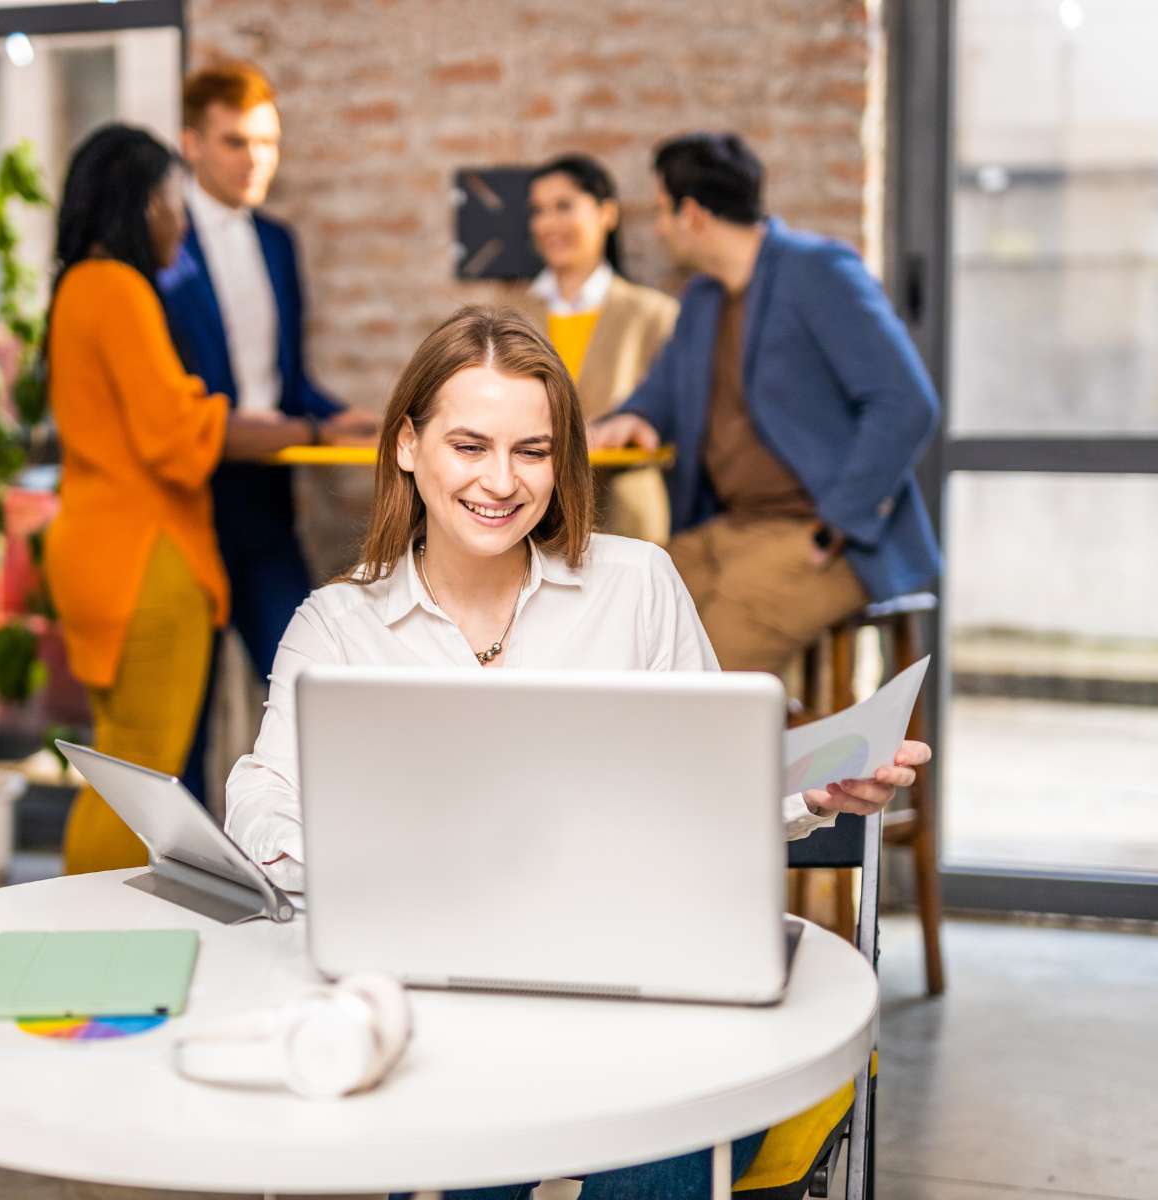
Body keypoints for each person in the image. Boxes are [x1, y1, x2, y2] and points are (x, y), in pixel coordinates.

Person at [224, 307, 930, 1200]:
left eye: (532, 450)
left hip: (652, 996)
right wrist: (352, 863)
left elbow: (718, 788)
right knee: (459, 1138)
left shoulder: (636, 586)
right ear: (409, 446)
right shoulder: (339, 626)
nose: (501, 481)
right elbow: (262, 794)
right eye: (469, 445)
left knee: (663, 1138)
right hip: (447, 1006)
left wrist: (817, 790)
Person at [41, 124, 316, 875]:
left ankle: (89, 937)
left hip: (95, 549)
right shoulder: (119, 287)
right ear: (141, 205)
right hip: (144, 560)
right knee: (138, 780)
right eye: (172, 200)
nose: (182, 220)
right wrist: (275, 428)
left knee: (119, 766)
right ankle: (83, 941)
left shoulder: (76, 287)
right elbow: (171, 433)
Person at [590, 132, 942, 675]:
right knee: (622, 619)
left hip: (818, 536)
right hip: (728, 528)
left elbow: (906, 403)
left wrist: (837, 524)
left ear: (693, 214)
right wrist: (631, 417)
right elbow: (660, 392)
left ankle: (748, 756)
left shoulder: (818, 271)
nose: (658, 229)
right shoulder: (704, 299)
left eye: (662, 211)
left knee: (705, 673)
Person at [158, 63, 380, 806]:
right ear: (191, 142)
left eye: (267, 143)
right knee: (180, 715)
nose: (254, 159)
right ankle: (182, 881)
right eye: (234, 142)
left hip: (265, 496)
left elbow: (283, 379)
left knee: (300, 680)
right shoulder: (160, 244)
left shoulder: (280, 242)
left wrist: (335, 415)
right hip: (181, 494)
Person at [516, 153, 677, 545]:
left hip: (624, 512)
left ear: (608, 213)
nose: (547, 223)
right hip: (527, 513)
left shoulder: (655, 315)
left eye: (564, 206)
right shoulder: (510, 316)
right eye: (538, 210)